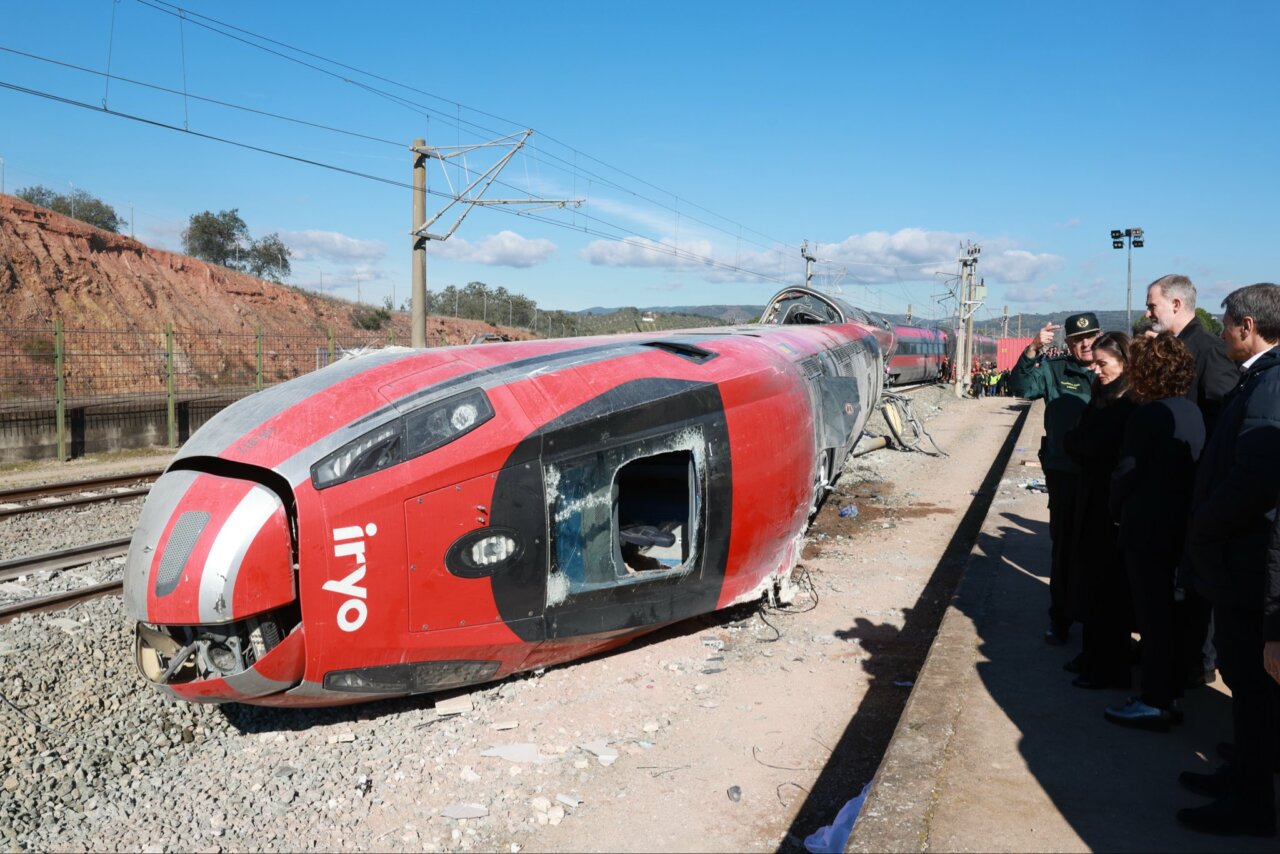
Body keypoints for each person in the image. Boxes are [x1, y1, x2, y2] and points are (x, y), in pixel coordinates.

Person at [1177, 283, 1280, 837]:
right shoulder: (1261, 377)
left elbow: (1255, 479)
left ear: (1247, 326)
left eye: (1226, 325)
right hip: (1242, 554)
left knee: (1250, 680)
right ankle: (1244, 772)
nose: (1221, 334)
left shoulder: (1271, 383)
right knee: (1246, 682)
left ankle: (1250, 802)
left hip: (1246, 559)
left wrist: (1205, 520)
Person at [1104, 334, 1205, 730]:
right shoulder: (1192, 412)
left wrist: (1115, 510)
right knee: (1173, 617)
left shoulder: (1147, 415)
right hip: (1181, 530)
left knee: (1153, 619)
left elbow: (1126, 473)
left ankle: (1155, 701)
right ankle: (1169, 693)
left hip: (1148, 531)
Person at [1145, 274, 1240, 688]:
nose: (1148, 312)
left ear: (1177, 304)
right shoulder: (1178, 346)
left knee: (1194, 584)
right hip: (1176, 485)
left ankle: (1197, 664)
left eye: (1153, 305)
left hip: (1194, 484)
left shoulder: (1207, 349)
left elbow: (1222, 418)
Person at [1009, 312, 1100, 645]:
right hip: (1065, 475)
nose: (1085, 344)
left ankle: (1096, 623)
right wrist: (1032, 349)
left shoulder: (1115, 369)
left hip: (1102, 477)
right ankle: (1060, 618)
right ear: (1069, 344)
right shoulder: (1056, 370)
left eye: (1090, 337)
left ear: (1100, 336)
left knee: (1098, 553)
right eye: (1077, 340)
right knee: (1064, 551)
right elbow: (1020, 387)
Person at [1062, 332, 1136, 689]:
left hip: (1110, 508)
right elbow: (1081, 439)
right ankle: (1092, 655)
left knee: (1107, 589)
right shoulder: (1104, 396)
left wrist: (1078, 443)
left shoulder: (1128, 402)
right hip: (1093, 499)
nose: (1096, 370)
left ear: (1124, 362)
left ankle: (1108, 666)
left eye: (1103, 364)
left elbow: (1091, 443)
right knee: (1090, 582)